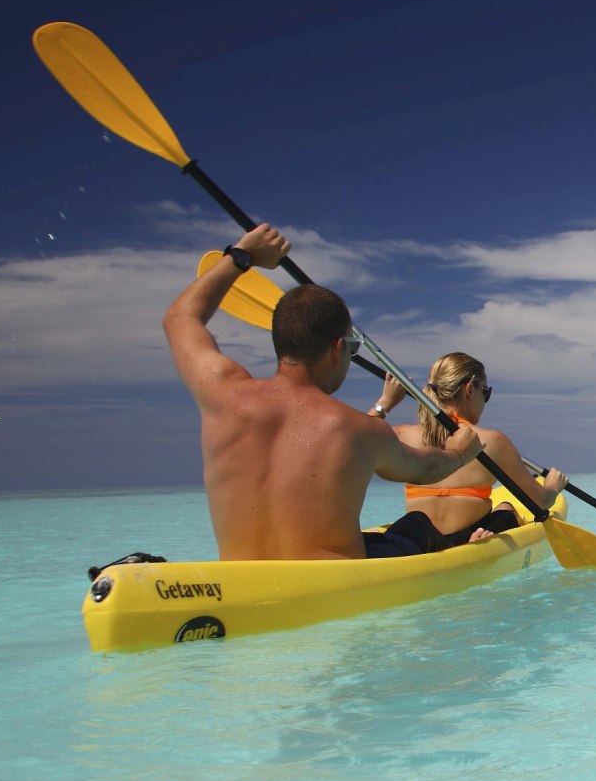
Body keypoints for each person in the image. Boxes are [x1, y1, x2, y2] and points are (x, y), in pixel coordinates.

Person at [163, 224, 481, 561]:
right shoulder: (361, 430)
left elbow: (179, 319)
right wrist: (460, 454)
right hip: (333, 584)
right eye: (353, 347)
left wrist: (242, 256)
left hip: (241, 581)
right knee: (416, 525)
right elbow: (425, 469)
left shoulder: (223, 393)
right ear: (336, 348)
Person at [368, 352, 566, 547]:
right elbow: (540, 502)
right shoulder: (492, 441)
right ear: (470, 390)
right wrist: (553, 487)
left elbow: (357, 443)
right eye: (485, 392)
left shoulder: (402, 435)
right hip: (469, 539)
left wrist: (385, 402)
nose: (485, 400)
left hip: (422, 541)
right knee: (507, 509)